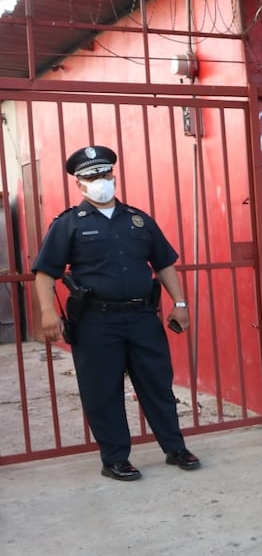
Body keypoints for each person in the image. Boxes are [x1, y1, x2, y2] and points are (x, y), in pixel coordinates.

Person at [32, 145, 201, 481]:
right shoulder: (69, 224)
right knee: (102, 390)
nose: (100, 180)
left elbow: (163, 263)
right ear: (79, 184)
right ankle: (115, 458)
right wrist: (48, 313)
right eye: (92, 176)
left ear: (113, 175)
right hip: (96, 322)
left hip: (142, 318)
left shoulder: (139, 220)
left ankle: (175, 447)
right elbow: (45, 273)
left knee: (157, 385)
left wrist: (180, 304)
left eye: (105, 173)